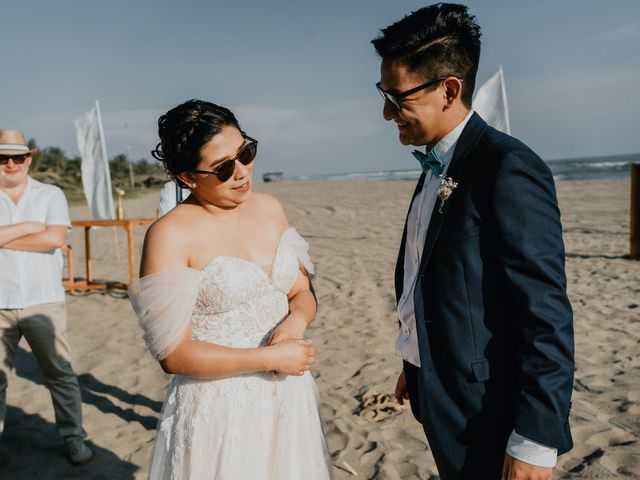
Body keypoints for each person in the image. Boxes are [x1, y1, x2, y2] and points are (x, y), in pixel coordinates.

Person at [371, 4, 574, 479]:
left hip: (490, 413)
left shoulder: (508, 167)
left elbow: (545, 312)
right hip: (439, 393)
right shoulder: (435, 165)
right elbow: (435, 279)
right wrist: (417, 360)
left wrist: (536, 441)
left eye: (397, 97)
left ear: (449, 90)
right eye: (382, 94)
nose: (385, 113)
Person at [128, 99, 333, 479]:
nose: (242, 172)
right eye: (223, 168)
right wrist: (270, 359)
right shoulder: (169, 235)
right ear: (188, 178)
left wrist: (296, 323)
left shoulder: (270, 207)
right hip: (220, 410)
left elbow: (301, 291)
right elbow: (173, 354)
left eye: (246, 153)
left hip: (288, 395)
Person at [0, 129, 93, 466]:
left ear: (29, 159)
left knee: (61, 375)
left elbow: (54, 238)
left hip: (44, 300)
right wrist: (28, 226)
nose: (11, 163)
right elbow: (43, 233)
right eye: (3, 157)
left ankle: (73, 439)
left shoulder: (50, 193)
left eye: (18, 157)